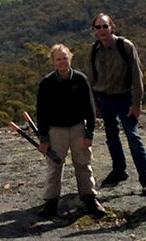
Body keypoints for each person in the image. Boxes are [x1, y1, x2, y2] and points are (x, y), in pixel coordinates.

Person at [36, 44, 107, 218]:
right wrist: (44, 139)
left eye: (65, 58)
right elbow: (42, 112)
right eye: (58, 59)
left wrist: (89, 134)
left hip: (77, 128)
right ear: (53, 62)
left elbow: (90, 109)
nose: (62, 62)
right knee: (54, 166)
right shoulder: (47, 83)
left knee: (83, 163)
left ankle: (89, 198)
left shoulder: (80, 80)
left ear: (70, 59)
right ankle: (51, 202)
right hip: (56, 131)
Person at [86, 13, 146, 193]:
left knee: (133, 137)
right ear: (94, 31)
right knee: (112, 137)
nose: (102, 30)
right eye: (98, 27)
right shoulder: (94, 50)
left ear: (112, 27)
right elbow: (91, 79)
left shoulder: (125, 46)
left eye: (105, 26)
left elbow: (137, 76)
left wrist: (137, 103)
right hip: (105, 98)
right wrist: (95, 105)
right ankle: (119, 171)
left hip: (125, 97)